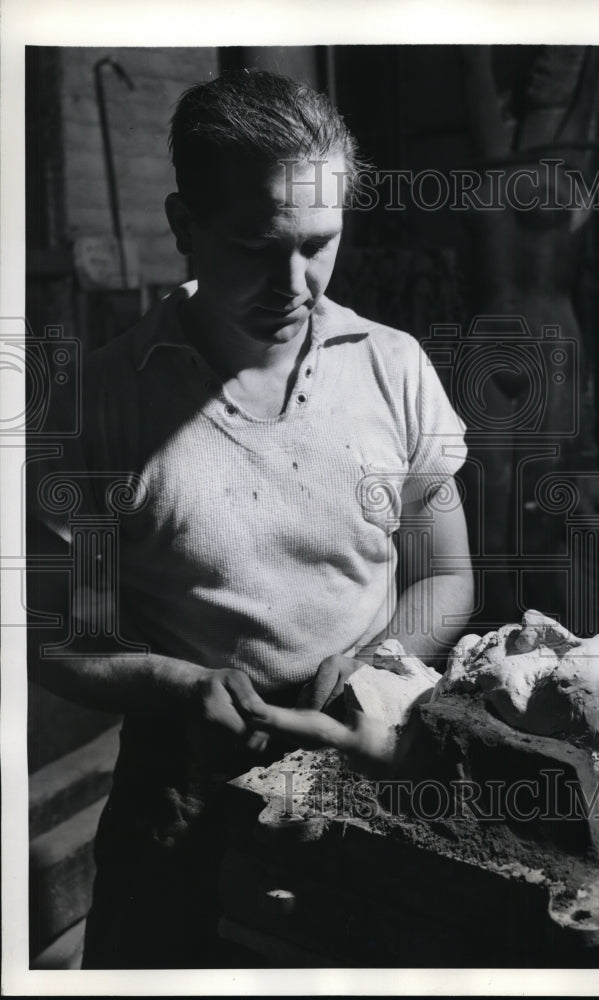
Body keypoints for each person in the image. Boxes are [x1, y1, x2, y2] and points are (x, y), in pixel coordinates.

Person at [27, 68, 473, 969]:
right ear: (185, 227)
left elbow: (443, 575)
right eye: (258, 248)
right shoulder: (108, 400)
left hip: (357, 780)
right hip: (178, 804)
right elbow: (52, 635)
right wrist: (173, 683)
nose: (296, 284)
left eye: (320, 244)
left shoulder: (393, 370)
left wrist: (379, 668)